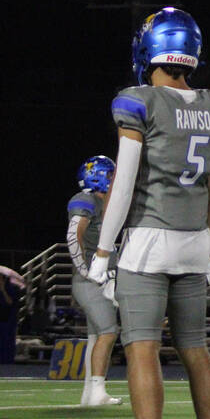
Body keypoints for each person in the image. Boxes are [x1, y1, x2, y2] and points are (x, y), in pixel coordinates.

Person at [85, 8, 210, 419]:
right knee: (196, 349)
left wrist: (103, 252)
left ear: (150, 50)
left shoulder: (138, 101)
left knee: (142, 349)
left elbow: (125, 183)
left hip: (149, 241)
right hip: (194, 242)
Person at [67, 155, 123, 406]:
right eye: (110, 176)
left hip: (99, 279)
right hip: (91, 280)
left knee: (95, 335)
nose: (114, 181)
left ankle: (89, 395)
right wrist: (84, 270)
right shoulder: (86, 200)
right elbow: (73, 235)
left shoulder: (101, 204)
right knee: (109, 331)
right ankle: (98, 389)